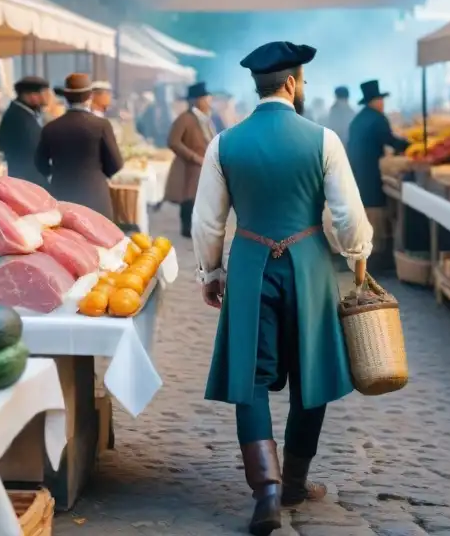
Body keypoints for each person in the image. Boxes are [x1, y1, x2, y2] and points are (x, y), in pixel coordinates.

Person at [191, 41, 372, 536]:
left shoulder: (224, 142)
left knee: (249, 375)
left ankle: (266, 493)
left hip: (249, 262)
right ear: (292, 83)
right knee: (312, 370)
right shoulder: (323, 140)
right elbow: (347, 216)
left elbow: (207, 221)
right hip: (309, 263)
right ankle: (294, 482)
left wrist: (211, 274)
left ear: (259, 85)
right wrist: (357, 260)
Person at [36, 73, 124, 217]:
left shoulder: (51, 128)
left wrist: (57, 172)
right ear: (90, 97)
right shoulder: (101, 125)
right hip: (95, 196)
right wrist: (98, 173)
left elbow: (39, 163)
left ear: (66, 97)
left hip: (61, 193)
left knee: (66, 237)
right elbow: (116, 163)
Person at [347, 80, 409, 268]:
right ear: (375, 101)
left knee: (363, 214)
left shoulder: (358, 119)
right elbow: (390, 140)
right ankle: (375, 259)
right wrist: (409, 146)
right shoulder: (378, 118)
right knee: (375, 215)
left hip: (356, 173)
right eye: (381, 100)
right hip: (371, 174)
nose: (382, 103)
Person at [164, 82, 216, 238]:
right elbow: (173, 141)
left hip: (202, 167)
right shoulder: (185, 118)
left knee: (201, 199)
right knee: (189, 198)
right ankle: (188, 229)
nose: (209, 101)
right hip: (189, 168)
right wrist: (193, 156)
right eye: (206, 98)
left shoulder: (205, 119)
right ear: (197, 100)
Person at [0, 76, 51, 187]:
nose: (48, 97)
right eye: (44, 93)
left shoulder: (24, 114)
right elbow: (31, 153)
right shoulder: (18, 118)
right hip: (27, 181)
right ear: (30, 96)